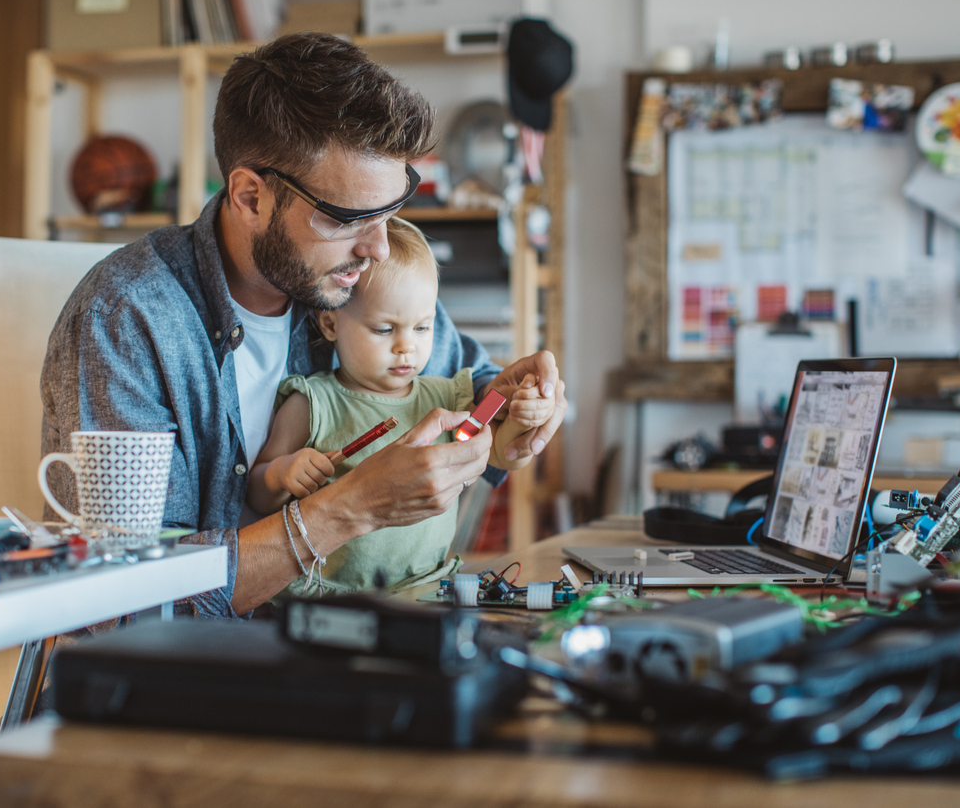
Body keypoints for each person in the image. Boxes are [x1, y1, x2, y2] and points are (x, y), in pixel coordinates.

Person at [40, 32, 568, 619]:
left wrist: (515, 417)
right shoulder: (128, 321)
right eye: (349, 219)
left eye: (392, 212)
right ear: (250, 197)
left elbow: (470, 385)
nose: (378, 247)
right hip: (191, 679)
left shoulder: (357, 283)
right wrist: (350, 507)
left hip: (353, 638)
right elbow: (129, 599)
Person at [246, 217, 555, 595]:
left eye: (423, 328)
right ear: (329, 324)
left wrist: (525, 417)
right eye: (384, 329)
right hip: (335, 598)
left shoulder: (447, 396)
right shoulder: (312, 402)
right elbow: (258, 494)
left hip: (429, 588)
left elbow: (504, 454)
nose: (406, 346)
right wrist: (282, 474)